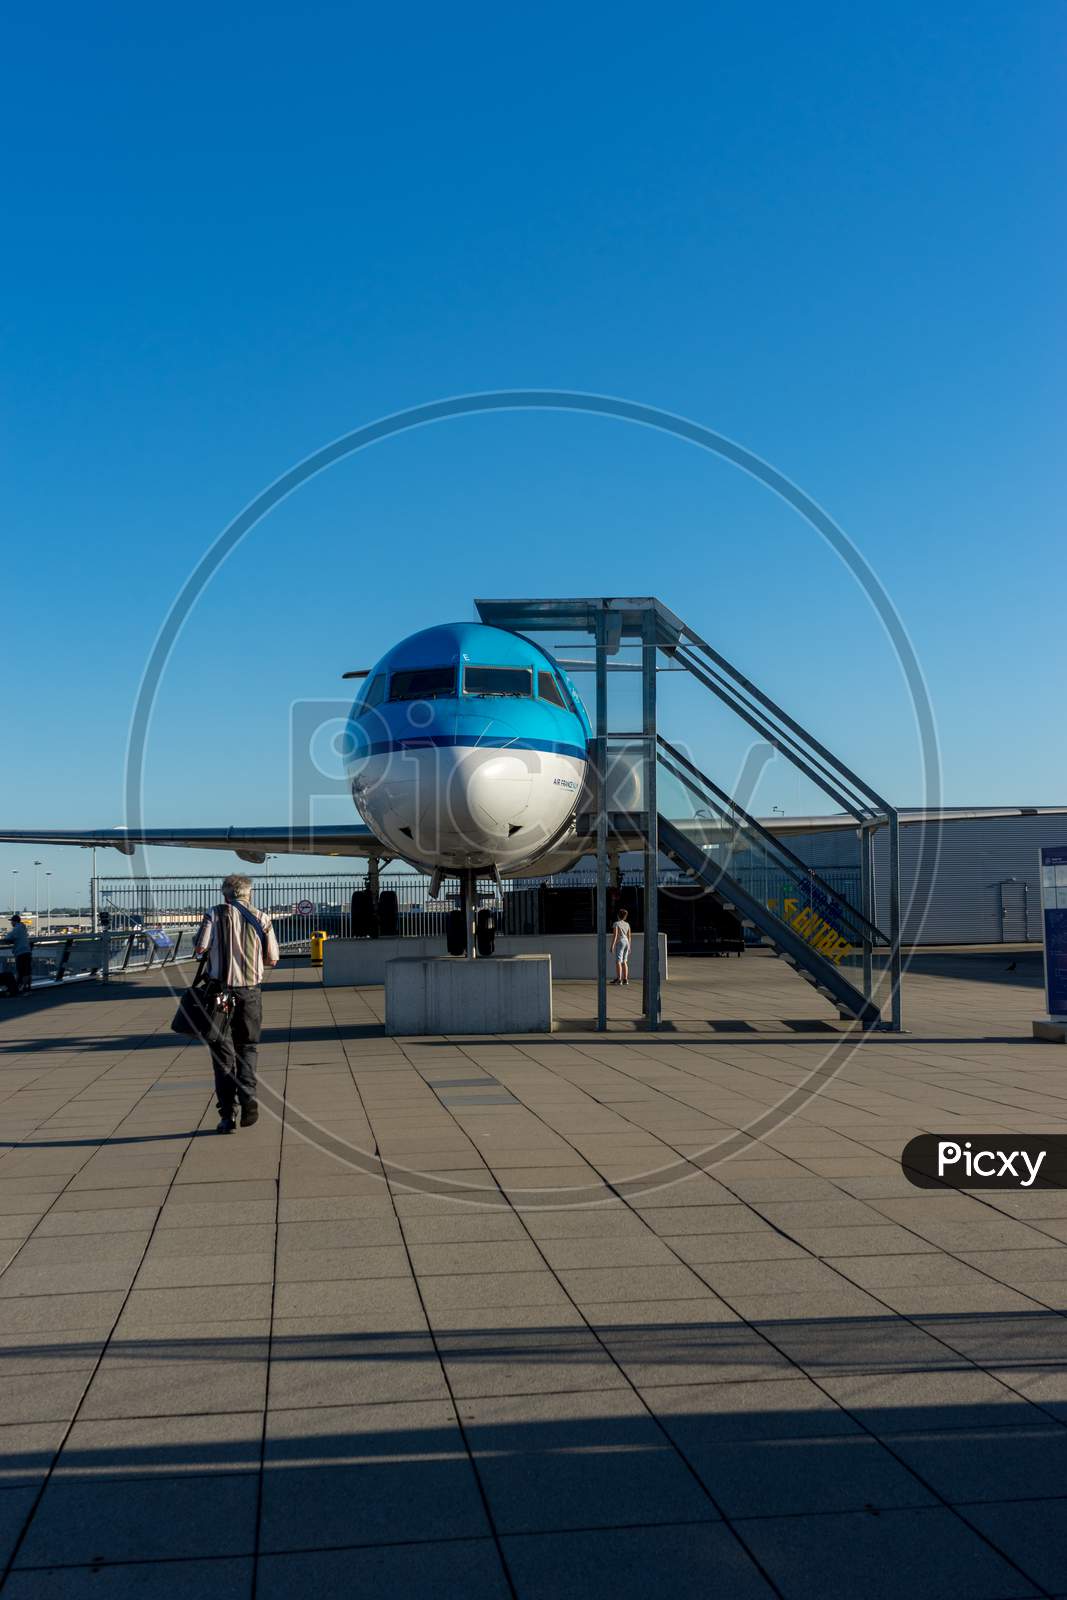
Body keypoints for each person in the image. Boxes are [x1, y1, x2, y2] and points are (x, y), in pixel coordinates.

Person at [194, 874, 279, 1134]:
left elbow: (199, 948)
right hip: (249, 993)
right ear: (248, 894)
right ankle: (248, 1097)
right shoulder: (262, 918)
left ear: (225, 894)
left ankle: (227, 1116)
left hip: (221, 993)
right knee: (248, 1047)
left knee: (222, 1053)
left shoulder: (215, 914)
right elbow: (272, 958)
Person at [2, 915, 33, 994]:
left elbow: (8, 937)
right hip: (27, 951)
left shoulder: (17, 929)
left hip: (21, 952)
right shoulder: (23, 928)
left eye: (12, 921)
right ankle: (27, 988)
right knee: (27, 971)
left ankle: (23, 988)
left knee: (22, 971)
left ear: (15, 921)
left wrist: (7, 939)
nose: (11, 923)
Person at [610, 906, 632, 986]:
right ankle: (625, 979)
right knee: (625, 961)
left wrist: (612, 946)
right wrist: (629, 946)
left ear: (618, 915)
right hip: (626, 941)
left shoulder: (616, 924)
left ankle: (619, 979)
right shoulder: (627, 924)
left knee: (618, 961)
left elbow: (615, 935)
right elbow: (629, 935)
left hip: (620, 942)